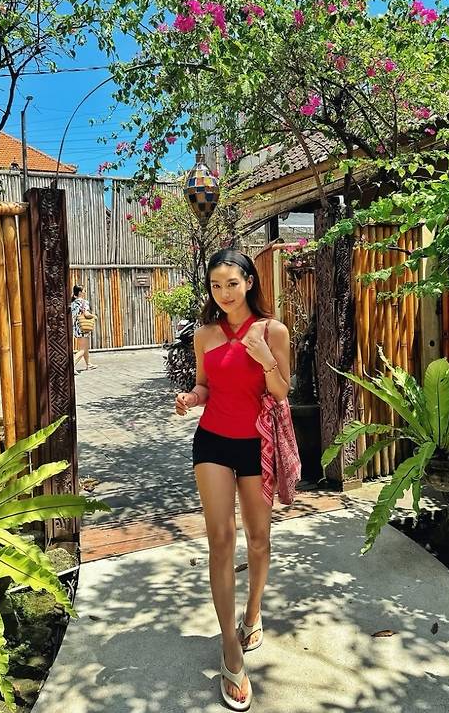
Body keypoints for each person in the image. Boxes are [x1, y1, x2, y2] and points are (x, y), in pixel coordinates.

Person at [175, 249, 291, 711]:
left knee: (258, 539)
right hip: (213, 443)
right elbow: (206, 386)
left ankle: (253, 612)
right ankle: (229, 646)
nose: (224, 293)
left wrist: (264, 358)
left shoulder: (273, 330)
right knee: (221, 540)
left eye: (232, 283)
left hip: (257, 445)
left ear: (249, 282)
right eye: (216, 285)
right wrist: (191, 398)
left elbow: (281, 392)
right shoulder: (204, 334)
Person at [70, 284, 97, 372]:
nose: (85, 292)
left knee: (85, 347)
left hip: (77, 327)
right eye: (84, 291)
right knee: (82, 349)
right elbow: (86, 314)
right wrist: (94, 316)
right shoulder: (84, 302)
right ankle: (71, 367)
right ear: (80, 292)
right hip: (83, 327)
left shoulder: (73, 302)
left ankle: (88, 364)